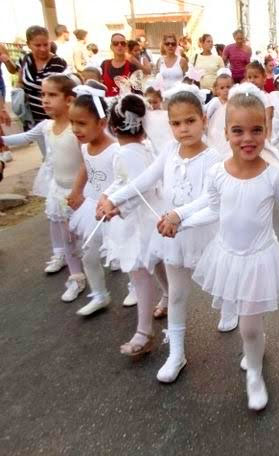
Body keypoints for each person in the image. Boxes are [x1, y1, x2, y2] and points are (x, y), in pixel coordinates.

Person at [163, 83, 279, 410]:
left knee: (247, 327)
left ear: (266, 131)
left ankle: (255, 374)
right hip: (228, 255)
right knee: (250, 324)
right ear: (226, 133)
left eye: (256, 130)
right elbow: (211, 206)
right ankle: (256, 343)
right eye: (238, 131)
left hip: (259, 257)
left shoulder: (272, 176)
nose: (248, 138)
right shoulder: (218, 172)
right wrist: (178, 217)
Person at [99, 84, 221, 380]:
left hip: (202, 229)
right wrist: (114, 198)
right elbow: (145, 179)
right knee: (178, 293)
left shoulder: (214, 157)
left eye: (190, 121)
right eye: (176, 123)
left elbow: (210, 197)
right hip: (172, 235)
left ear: (203, 119)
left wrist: (179, 216)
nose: (183, 129)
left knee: (224, 284)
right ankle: (176, 353)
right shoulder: (168, 150)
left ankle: (241, 323)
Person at [1, 74, 85, 297]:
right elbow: (24, 138)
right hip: (58, 190)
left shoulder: (77, 128)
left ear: (68, 99)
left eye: (52, 95)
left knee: (88, 236)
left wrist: (79, 190)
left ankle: (103, 268)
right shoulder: (46, 126)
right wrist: (3, 139)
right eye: (42, 94)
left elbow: (88, 161)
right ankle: (76, 276)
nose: (45, 100)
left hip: (80, 190)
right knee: (67, 237)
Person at [98, 93, 168, 357]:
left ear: (112, 127)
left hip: (139, 221)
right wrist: (107, 196)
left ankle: (145, 330)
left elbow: (140, 186)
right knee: (157, 263)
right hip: (148, 215)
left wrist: (117, 207)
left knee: (140, 273)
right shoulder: (145, 148)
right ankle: (169, 298)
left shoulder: (125, 153)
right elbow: (125, 182)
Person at [66, 81, 118, 316]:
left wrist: (114, 203)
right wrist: (77, 191)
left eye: (82, 123)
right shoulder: (85, 148)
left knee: (121, 253)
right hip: (92, 208)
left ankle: (134, 287)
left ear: (102, 123)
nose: (76, 129)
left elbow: (123, 180)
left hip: (115, 210)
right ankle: (99, 294)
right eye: (72, 123)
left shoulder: (116, 149)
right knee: (89, 252)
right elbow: (85, 169)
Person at [17, 25, 67, 159]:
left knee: (59, 156)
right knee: (46, 156)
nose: (43, 49)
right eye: (37, 45)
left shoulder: (58, 63)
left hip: (55, 118)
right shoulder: (25, 60)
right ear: (29, 45)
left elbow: (61, 89)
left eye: (46, 44)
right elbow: (20, 81)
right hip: (35, 118)